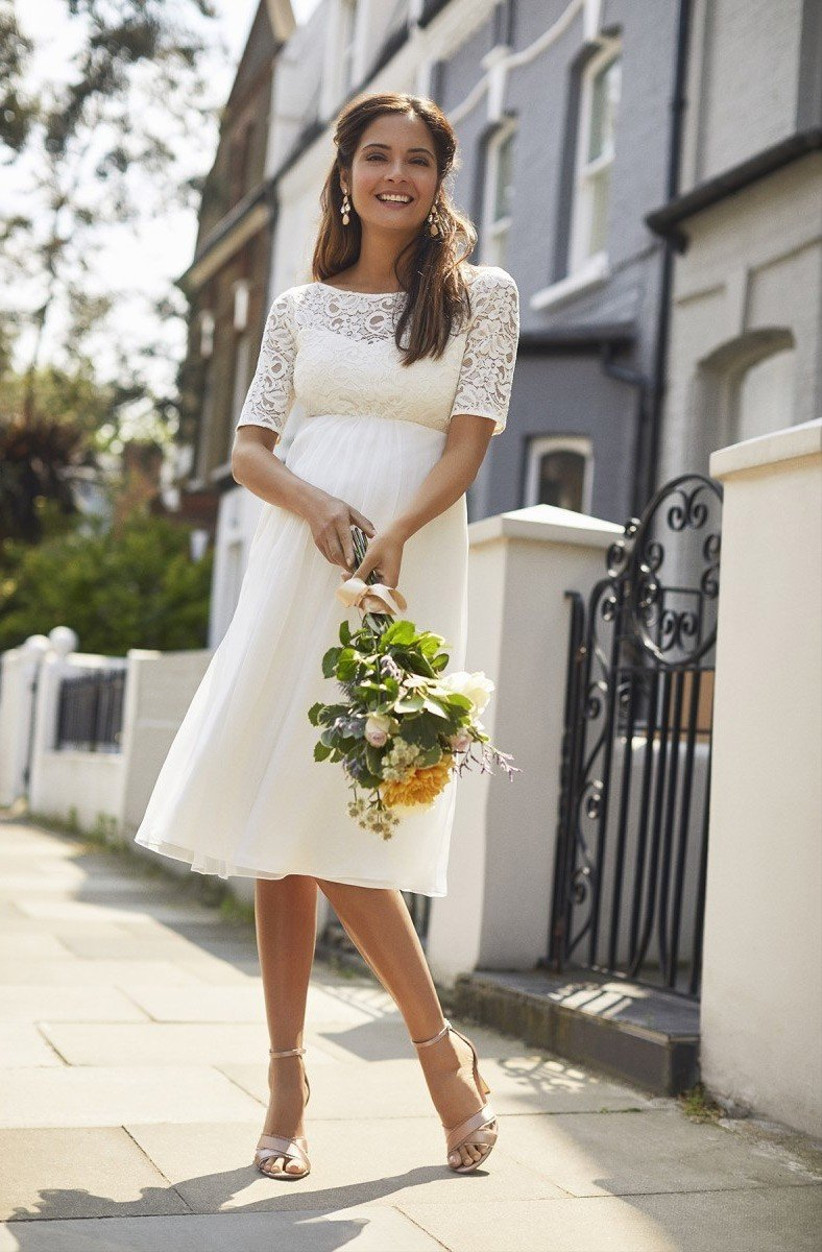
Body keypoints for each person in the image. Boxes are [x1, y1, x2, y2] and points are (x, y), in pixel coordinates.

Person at [133, 91, 519, 1180]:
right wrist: (317, 512)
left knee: (346, 815)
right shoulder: (300, 306)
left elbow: (470, 442)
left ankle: (439, 1057)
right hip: (301, 566)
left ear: (441, 177)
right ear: (344, 171)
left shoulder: (480, 297)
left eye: (416, 160)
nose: (395, 176)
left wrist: (391, 534)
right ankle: (291, 1081)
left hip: (403, 566)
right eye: (375, 157)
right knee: (280, 825)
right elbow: (250, 449)